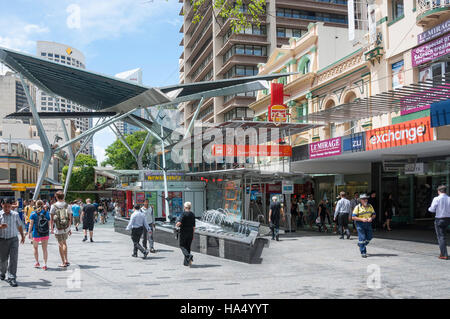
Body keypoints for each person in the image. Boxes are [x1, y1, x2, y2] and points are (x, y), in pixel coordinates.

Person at [0, 199, 26, 287]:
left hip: (13, 240)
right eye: (5, 206)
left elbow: (19, 225)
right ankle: (2, 272)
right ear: (2, 205)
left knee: (13, 259)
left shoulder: (15, 214)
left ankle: (12, 277)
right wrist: (0, 226)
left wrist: (22, 236)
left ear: (11, 206)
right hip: (2, 240)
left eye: (8, 206)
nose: (7, 208)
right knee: (3, 260)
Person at [50, 191, 72, 268]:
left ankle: (63, 262)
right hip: (66, 227)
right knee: (65, 243)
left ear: (56, 197)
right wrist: (69, 228)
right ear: (63, 197)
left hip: (57, 228)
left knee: (60, 244)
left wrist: (51, 228)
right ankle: (66, 260)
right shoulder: (67, 205)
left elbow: (52, 218)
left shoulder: (53, 206)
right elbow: (70, 217)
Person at [428, 185, 450, 260]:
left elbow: (432, 209)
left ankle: (444, 254)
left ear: (438, 191)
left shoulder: (436, 198)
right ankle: (442, 252)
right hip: (447, 219)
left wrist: (429, 209)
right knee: (443, 236)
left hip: (439, 219)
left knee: (441, 237)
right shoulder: (449, 198)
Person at [352, 194, 376, 258]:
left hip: (368, 224)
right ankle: (363, 252)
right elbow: (353, 217)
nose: (365, 200)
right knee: (362, 238)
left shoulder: (370, 206)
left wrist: (371, 218)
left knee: (370, 237)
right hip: (360, 224)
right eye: (363, 199)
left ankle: (361, 244)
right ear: (360, 200)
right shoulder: (357, 207)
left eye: (366, 199)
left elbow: (374, 214)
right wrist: (361, 219)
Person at [29, 200, 50, 270]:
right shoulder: (46, 213)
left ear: (36, 205)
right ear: (43, 205)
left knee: (35, 248)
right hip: (45, 233)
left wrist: (29, 232)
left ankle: (37, 262)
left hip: (36, 233)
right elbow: (49, 223)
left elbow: (31, 224)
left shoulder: (33, 213)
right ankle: (45, 264)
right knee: (45, 249)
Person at [176, 202, 196, 266]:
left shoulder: (183, 214)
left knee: (182, 245)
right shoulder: (192, 214)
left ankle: (188, 256)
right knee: (188, 247)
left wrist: (176, 224)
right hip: (190, 232)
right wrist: (193, 234)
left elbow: (179, 223)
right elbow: (193, 226)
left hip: (183, 233)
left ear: (185, 207)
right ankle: (186, 262)